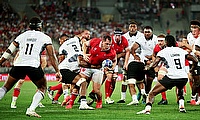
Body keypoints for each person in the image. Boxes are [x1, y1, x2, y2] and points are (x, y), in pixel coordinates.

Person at [0, 16, 62, 118]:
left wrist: (1, 61)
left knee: (5, 87)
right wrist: (57, 71)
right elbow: (51, 55)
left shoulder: (22, 35)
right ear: (40, 27)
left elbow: (9, 51)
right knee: (42, 87)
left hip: (19, 64)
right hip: (33, 65)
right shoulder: (45, 37)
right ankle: (31, 109)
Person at [137, 35, 198, 114]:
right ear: (175, 42)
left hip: (171, 77)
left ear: (166, 42)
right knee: (180, 90)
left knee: (152, 93)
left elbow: (155, 63)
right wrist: (192, 69)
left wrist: (147, 68)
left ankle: (147, 110)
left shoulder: (163, 51)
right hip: (183, 77)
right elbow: (195, 60)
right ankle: (181, 106)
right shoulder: (181, 50)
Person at [80, 35, 117, 108]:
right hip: (88, 67)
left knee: (96, 90)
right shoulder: (95, 41)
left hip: (98, 69)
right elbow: (84, 44)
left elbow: (115, 60)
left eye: (110, 44)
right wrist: (84, 54)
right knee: (80, 82)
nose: (108, 46)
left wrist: (112, 68)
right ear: (102, 42)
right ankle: (78, 101)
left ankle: (99, 100)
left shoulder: (111, 52)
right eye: (107, 44)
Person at [58, 30, 92, 109]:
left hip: (68, 69)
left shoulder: (65, 46)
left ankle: (69, 101)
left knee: (75, 87)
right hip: (66, 69)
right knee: (83, 81)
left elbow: (61, 58)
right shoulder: (77, 46)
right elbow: (80, 63)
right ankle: (83, 103)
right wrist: (95, 65)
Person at [117, 21, 143, 103]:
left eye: (134, 26)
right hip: (128, 59)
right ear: (128, 27)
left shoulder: (141, 36)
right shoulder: (124, 36)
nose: (132, 28)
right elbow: (123, 48)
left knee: (140, 80)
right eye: (131, 26)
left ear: (137, 27)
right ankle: (123, 98)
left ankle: (141, 94)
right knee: (125, 79)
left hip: (139, 59)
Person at [130, 26, 157, 103]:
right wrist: (135, 55)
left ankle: (147, 93)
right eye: (145, 32)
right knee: (141, 80)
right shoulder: (141, 39)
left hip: (153, 61)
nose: (147, 34)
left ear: (152, 32)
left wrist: (152, 57)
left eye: (148, 32)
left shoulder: (156, 39)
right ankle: (143, 94)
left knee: (150, 79)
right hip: (143, 61)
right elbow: (133, 48)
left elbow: (159, 49)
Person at [103, 28, 129, 104]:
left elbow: (127, 52)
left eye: (119, 35)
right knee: (104, 78)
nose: (117, 37)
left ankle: (108, 98)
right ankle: (96, 94)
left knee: (114, 80)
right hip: (107, 62)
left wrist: (125, 63)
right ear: (114, 35)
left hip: (115, 63)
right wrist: (120, 54)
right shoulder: (110, 40)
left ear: (121, 35)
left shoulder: (124, 40)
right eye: (116, 35)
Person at [47, 33, 69, 104]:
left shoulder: (65, 46)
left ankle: (55, 98)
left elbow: (61, 59)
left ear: (64, 40)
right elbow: (61, 58)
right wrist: (59, 70)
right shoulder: (66, 47)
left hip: (67, 67)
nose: (60, 43)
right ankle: (51, 89)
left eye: (60, 41)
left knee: (65, 84)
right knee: (69, 84)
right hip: (66, 67)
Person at [189, 20, 200, 105]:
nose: (193, 29)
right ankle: (193, 98)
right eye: (192, 27)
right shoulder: (190, 36)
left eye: (195, 27)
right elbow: (196, 52)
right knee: (196, 82)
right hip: (195, 62)